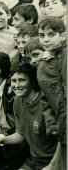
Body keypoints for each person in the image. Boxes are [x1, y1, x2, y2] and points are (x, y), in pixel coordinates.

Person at [0, 62, 58, 170]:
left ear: (32, 81)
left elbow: (62, 140)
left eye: (22, 80)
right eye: (14, 81)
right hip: (34, 159)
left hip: (54, 160)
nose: (17, 85)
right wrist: (1, 140)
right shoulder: (17, 100)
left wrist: (52, 165)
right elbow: (21, 134)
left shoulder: (45, 103)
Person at [37, 17, 66, 170]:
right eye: (42, 35)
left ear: (63, 35)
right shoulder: (43, 66)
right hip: (62, 126)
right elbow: (45, 98)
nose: (46, 39)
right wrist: (52, 124)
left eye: (51, 34)